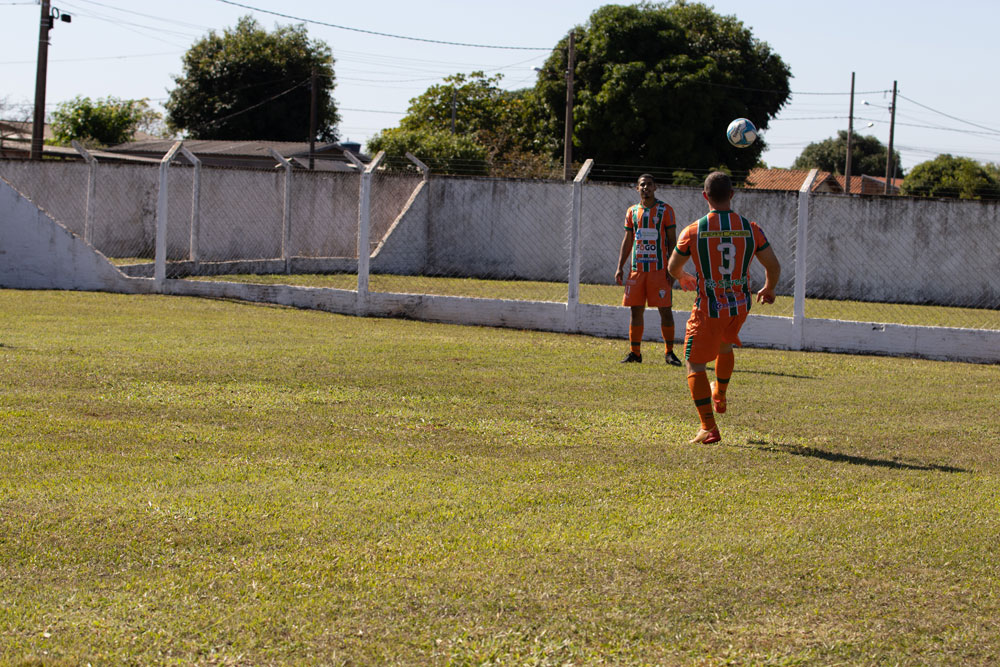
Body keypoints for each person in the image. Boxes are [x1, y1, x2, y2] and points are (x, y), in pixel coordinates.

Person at [667, 171, 781, 444]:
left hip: (710, 307)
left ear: (705, 196)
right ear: (732, 195)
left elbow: (672, 267)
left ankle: (708, 427)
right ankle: (720, 393)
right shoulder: (751, 229)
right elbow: (773, 266)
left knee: (695, 363)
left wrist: (683, 277)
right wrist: (769, 288)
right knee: (724, 345)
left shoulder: (693, 230)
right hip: (740, 305)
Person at [614, 174, 682, 366]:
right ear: (637, 189)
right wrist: (620, 267)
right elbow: (628, 241)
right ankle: (635, 353)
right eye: (642, 185)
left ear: (655, 187)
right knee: (636, 311)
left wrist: (672, 268)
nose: (646, 188)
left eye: (649, 185)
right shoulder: (632, 211)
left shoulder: (665, 211)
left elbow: (671, 241)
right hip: (637, 270)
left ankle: (669, 353)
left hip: (659, 270)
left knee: (665, 310)